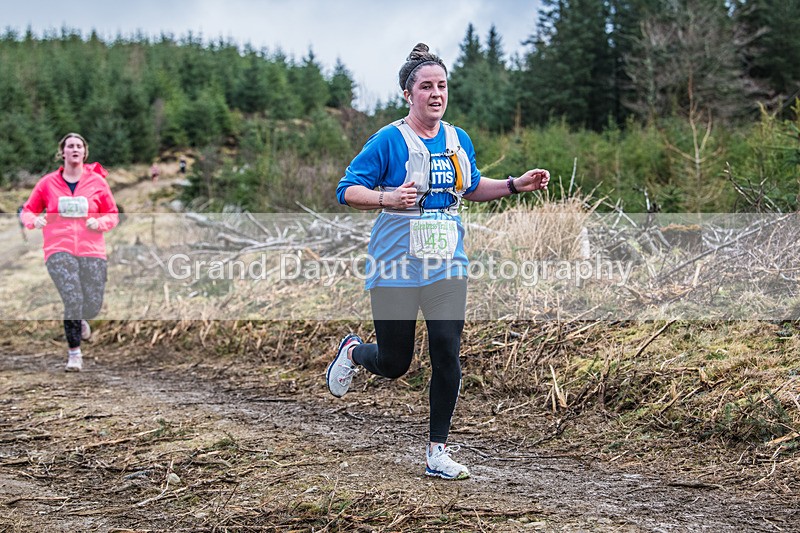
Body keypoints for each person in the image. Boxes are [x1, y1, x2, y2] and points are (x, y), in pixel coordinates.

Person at [327, 43, 550, 480]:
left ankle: (437, 452)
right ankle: (353, 352)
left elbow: (468, 187)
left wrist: (513, 184)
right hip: (396, 264)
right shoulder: (389, 140)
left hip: (447, 263)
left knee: (448, 352)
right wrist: (386, 197)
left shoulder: (457, 138)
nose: (436, 94)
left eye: (441, 86)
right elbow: (346, 190)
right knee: (395, 363)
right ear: (407, 94)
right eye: (425, 86)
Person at [20, 133, 119, 372]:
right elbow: (27, 211)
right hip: (58, 248)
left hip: (92, 249)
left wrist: (101, 223)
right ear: (62, 152)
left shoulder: (97, 182)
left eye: (79, 146)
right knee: (72, 298)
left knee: (92, 303)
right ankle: (74, 353)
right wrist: (36, 221)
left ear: (84, 153)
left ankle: (83, 319)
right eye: (70, 146)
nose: (74, 149)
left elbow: (113, 213)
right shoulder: (47, 183)